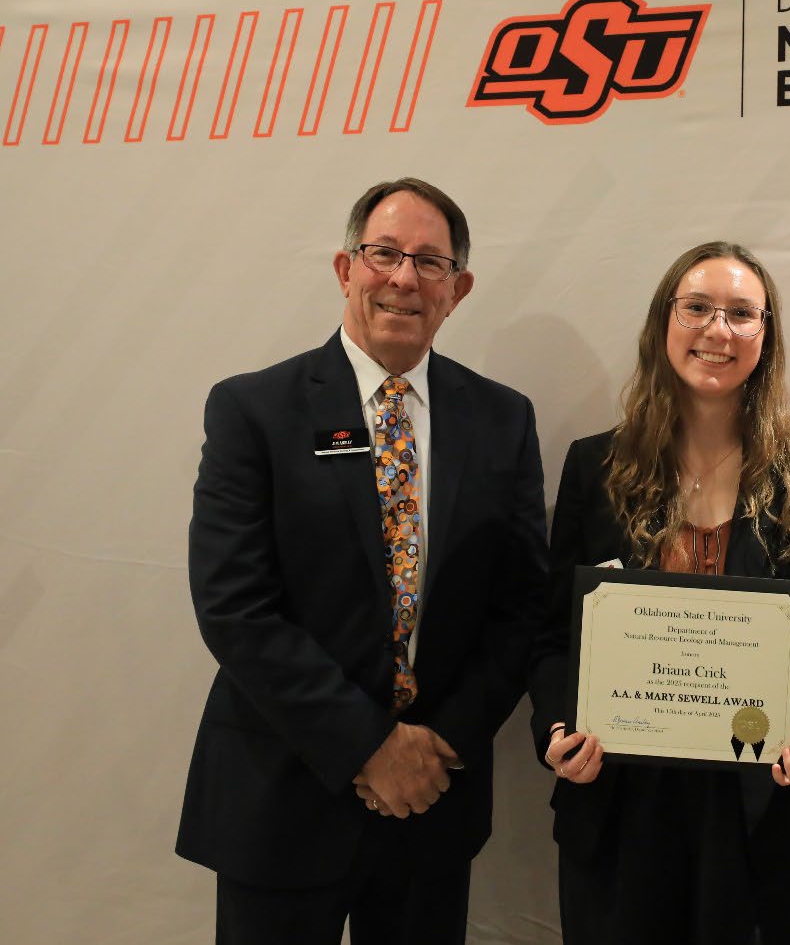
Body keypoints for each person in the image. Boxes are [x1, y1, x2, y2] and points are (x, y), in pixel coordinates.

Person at [175, 178, 548, 944]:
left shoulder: (502, 419)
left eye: (430, 262)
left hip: (431, 805)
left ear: (459, 288)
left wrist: (435, 746)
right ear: (346, 270)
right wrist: (369, 747)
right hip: (282, 795)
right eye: (384, 254)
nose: (404, 278)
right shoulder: (255, 410)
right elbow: (234, 606)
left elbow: (521, 607)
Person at [528, 241, 790, 944]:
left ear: (766, 336)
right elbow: (557, 633)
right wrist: (557, 729)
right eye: (699, 308)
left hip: (760, 805)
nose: (718, 330)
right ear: (664, 324)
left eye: (742, 313)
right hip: (618, 803)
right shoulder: (596, 467)